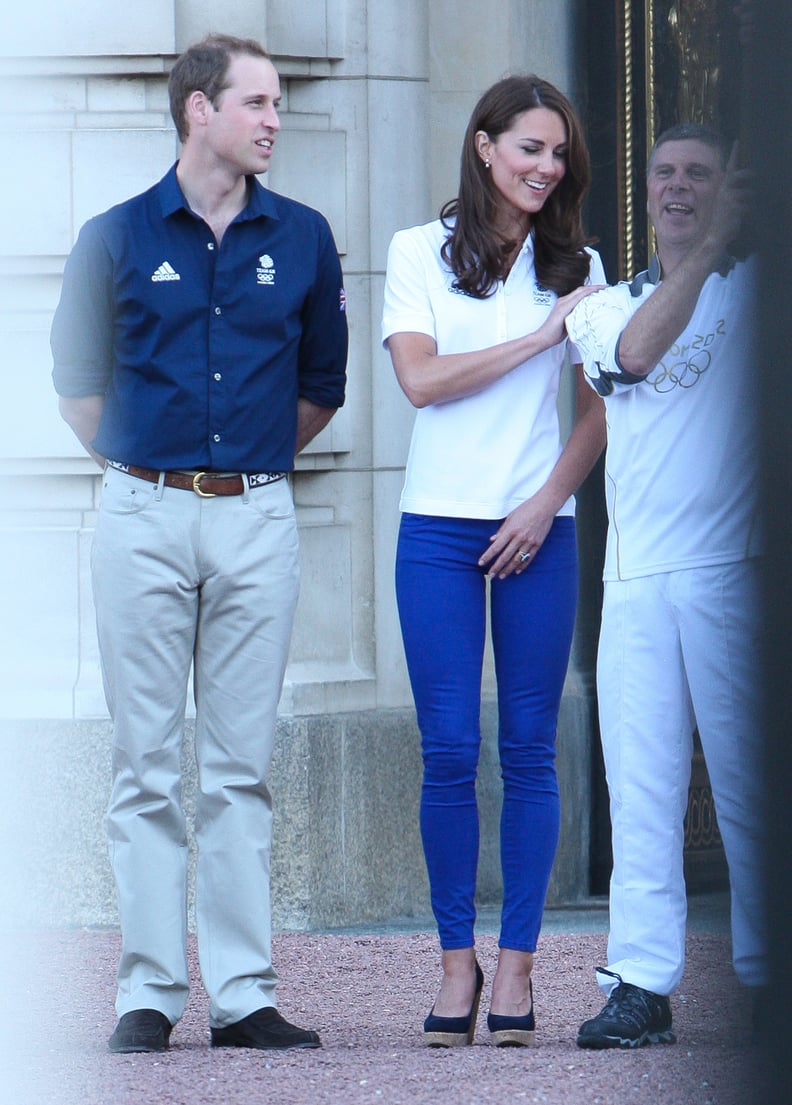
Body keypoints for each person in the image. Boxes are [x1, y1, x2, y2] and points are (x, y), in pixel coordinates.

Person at [50, 33, 347, 1054]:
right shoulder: (116, 237)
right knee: (144, 764)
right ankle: (146, 988)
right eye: (258, 102)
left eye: (277, 103)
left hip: (258, 516)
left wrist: (243, 473)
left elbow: (322, 388)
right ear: (198, 111)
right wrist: (154, 471)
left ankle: (243, 993)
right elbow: (76, 383)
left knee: (237, 766)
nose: (274, 119)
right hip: (140, 512)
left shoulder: (304, 236)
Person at [382, 75, 606, 1047]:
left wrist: (547, 499)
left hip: (536, 529)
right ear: (483, 147)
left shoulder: (580, 264)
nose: (545, 168)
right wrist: (538, 336)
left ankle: (516, 968)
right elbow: (421, 380)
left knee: (526, 750)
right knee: (447, 750)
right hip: (434, 528)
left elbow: (598, 414)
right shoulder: (416, 253)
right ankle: (454, 961)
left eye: (557, 154)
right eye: (529, 149)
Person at [566, 123, 766, 1049]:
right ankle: (641, 985)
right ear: (645, 189)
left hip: (740, 574)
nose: (680, 187)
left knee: (754, 790)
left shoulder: (761, 295)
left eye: (701, 174)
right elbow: (637, 356)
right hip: (635, 580)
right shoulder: (600, 307)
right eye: (665, 173)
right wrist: (714, 245)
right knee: (639, 792)